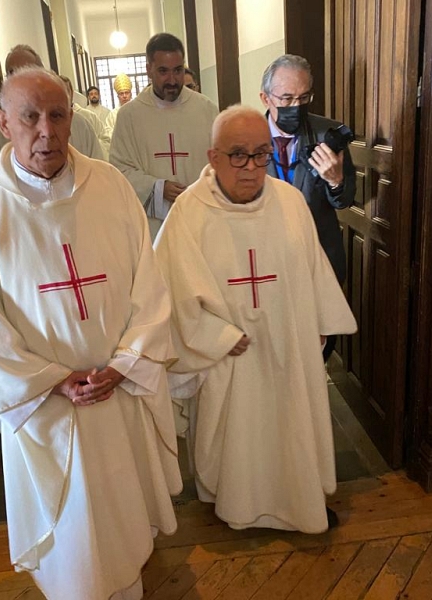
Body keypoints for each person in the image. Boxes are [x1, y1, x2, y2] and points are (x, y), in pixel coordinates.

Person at [0, 67, 181, 600]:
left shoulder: (113, 187)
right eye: (30, 117)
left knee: (121, 517)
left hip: (115, 392)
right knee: (73, 541)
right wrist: (53, 381)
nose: (46, 131)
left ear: (73, 117)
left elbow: (148, 284)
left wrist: (125, 364)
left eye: (57, 115)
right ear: (3, 123)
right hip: (45, 410)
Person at [155, 106, 357, 534]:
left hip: (288, 345)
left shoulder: (288, 202)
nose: (251, 167)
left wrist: (318, 319)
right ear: (212, 157)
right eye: (238, 155)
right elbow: (166, 292)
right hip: (229, 356)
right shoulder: (188, 215)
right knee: (241, 436)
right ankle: (239, 505)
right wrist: (215, 335)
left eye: (261, 154)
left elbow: (313, 267)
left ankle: (299, 502)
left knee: (292, 423)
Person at [260, 54, 356, 360]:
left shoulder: (329, 134)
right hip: (266, 267)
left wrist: (335, 180)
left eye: (303, 98)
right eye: (286, 98)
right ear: (265, 97)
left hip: (320, 261)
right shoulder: (248, 137)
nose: (295, 106)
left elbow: (344, 200)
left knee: (317, 355)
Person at [109, 33, 218, 238]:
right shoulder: (129, 116)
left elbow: (220, 163)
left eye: (177, 71)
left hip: (200, 219)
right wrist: (158, 189)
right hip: (153, 227)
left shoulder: (207, 110)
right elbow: (119, 170)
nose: (172, 80)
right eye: (163, 71)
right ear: (149, 68)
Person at [0, 45, 103, 175]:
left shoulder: (79, 125)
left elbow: (99, 175)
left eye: (30, 73)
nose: (24, 81)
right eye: (14, 73)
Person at [61, 76, 110, 159]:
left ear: (72, 93)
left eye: (66, 91)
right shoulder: (50, 121)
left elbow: (106, 141)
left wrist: (91, 144)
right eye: (60, 91)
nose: (63, 95)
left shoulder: (88, 116)